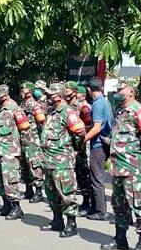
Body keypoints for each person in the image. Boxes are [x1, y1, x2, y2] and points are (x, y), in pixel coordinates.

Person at [100, 78, 141, 250]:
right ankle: (120, 238)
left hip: (132, 167)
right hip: (118, 166)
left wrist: (137, 154)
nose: (118, 92)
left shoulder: (139, 111)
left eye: (121, 89)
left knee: (139, 205)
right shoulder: (119, 111)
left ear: (131, 91)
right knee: (119, 205)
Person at [39, 83, 87, 237]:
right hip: (48, 160)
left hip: (62, 161)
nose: (47, 98)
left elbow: (80, 133)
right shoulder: (52, 112)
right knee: (52, 192)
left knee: (66, 193)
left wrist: (72, 150)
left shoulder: (68, 112)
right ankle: (57, 221)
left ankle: (71, 224)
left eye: (50, 95)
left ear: (58, 96)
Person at [0, 85, 26, 220]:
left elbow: (25, 129)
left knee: (11, 179)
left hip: (10, 151)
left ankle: (16, 207)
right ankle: (6, 205)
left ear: (4, 96)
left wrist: (23, 150)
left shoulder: (14, 109)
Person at [83, 78, 112, 221]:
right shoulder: (104, 102)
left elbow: (97, 128)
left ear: (89, 89)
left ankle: (101, 211)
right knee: (95, 177)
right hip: (103, 144)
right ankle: (95, 208)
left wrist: (83, 140)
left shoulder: (97, 104)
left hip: (98, 146)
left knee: (96, 178)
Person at [67, 82, 94, 216]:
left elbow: (90, 125)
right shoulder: (65, 108)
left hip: (79, 147)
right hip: (68, 148)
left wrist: (79, 130)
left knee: (82, 174)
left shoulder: (83, 108)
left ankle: (86, 202)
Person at [18, 82, 46, 204]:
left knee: (34, 165)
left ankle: (38, 191)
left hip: (32, 140)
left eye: (23, 90)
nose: (21, 92)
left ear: (29, 92)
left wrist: (39, 140)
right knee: (24, 166)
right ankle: (28, 189)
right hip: (22, 140)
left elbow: (42, 124)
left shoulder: (36, 106)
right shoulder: (21, 105)